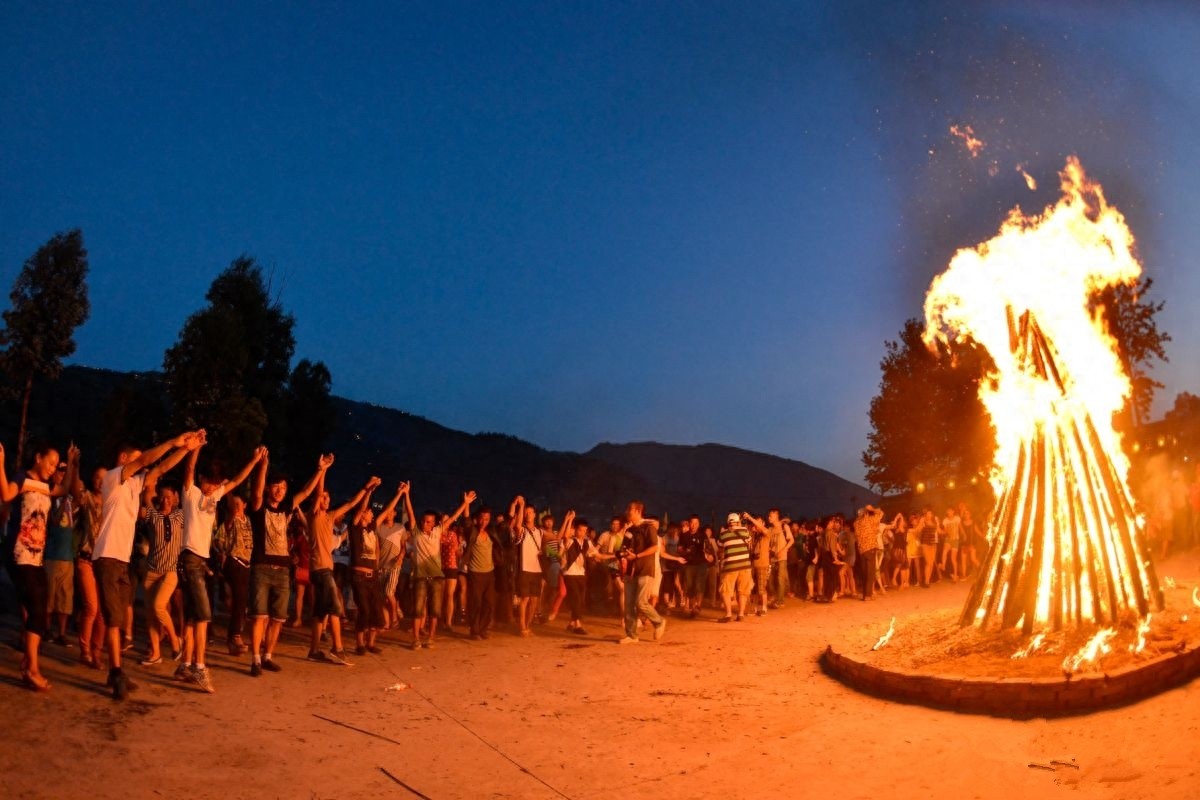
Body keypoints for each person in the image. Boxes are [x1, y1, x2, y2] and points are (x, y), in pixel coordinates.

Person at [91, 431, 200, 700]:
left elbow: (160, 467)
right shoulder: (113, 477)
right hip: (106, 557)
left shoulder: (134, 485)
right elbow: (149, 461)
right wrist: (172, 441)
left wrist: (186, 449)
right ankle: (116, 673)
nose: (142, 465)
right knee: (114, 618)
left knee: (118, 615)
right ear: (124, 458)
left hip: (122, 559)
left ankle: (116, 671)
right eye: (137, 460)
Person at [176, 437, 264, 693]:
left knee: (194, 617)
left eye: (215, 483)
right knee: (204, 615)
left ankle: (185, 664)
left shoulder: (214, 498)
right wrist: (197, 448)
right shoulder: (190, 494)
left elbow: (236, 481)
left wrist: (255, 461)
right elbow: (189, 471)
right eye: (209, 482)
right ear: (202, 480)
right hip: (190, 559)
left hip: (201, 561)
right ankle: (200, 667)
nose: (211, 487)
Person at [1, 441, 79, 691]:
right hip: (18, 553)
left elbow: (64, 489)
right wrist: (0, 464)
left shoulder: (45, 487)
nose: (54, 467)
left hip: (36, 557)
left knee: (39, 611)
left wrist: (71, 462)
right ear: (38, 458)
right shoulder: (23, 477)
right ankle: (31, 668)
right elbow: (6, 495)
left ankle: (28, 663)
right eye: (52, 462)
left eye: (57, 464)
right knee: (36, 611)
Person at [246, 451, 329, 677]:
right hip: (261, 568)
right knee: (259, 616)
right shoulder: (258, 507)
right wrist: (263, 465)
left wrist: (321, 470)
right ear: (268, 488)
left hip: (282, 570)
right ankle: (254, 659)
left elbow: (305, 492)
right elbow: (255, 491)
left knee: (278, 618)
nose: (279, 489)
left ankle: (268, 656)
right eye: (275, 486)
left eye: (282, 486)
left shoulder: (286, 508)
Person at [305, 461, 377, 666]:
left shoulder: (330, 517)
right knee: (336, 607)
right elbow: (318, 494)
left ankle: (314, 650)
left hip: (325, 568)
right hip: (320, 569)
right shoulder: (315, 516)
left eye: (329, 497)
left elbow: (352, 504)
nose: (326, 500)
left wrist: (366, 488)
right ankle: (338, 648)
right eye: (323, 497)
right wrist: (323, 470)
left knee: (320, 613)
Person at [402, 486, 475, 648]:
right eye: (423, 521)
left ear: (434, 523)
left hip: (437, 577)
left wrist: (465, 504)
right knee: (418, 610)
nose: (424, 524)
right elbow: (411, 512)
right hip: (421, 577)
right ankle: (415, 639)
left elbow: (454, 517)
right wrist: (407, 495)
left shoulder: (437, 532)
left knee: (434, 610)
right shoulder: (416, 533)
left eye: (428, 522)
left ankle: (431, 638)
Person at [138, 468, 187, 668]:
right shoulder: (152, 515)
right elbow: (146, 497)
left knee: (159, 606)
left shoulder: (181, 516)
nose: (165, 500)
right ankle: (156, 653)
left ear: (175, 498)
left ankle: (175, 641)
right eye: (163, 496)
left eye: (169, 497)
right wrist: (150, 481)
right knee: (151, 614)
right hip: (151, 571)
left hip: (170, 570)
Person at [348, 481, 403, 655]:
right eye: (369, 511)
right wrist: (368, 491)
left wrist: (399, 494)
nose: (372, 513)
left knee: (376, 611)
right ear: (363, 514)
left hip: (373, 576)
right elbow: (360, 509)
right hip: (359, 576)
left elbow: (387, 511)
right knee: (363, 609)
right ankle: (360, 644)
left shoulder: (372, 528)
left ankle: (370, 643)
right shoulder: (355, 529)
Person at [617, 501, 666, 644]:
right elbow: (622, 549)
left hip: (645, 569)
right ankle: (631, 635)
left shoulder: (648, 528)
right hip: (631, 571)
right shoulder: (629, 531)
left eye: (630, 510)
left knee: (641, 602)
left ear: (638, 511)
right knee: (628, 605)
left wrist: (637, 555)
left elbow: (654, 548)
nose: (627, 512)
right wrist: (622, 554)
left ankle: (659, 622)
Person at [73, 465, 107, 668]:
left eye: (104, 478)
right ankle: (84, 650)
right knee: (91, 607)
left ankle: (97, 652)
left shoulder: (112, 502)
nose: (100, 482)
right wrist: (75, 466)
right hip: (86, 558)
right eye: (97, 477)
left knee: (102, 612)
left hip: (103, 561)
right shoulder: (86, 498)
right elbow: (76, 491)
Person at [43, 461, 77, 647]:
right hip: (52, 555)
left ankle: (62, 633)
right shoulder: (50, 495)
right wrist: (64, 498)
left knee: (65, 598)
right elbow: (54, 521)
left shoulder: (71, 498)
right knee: (50, 596)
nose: (63, 473)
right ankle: (47, 629)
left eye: (65, 470)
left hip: (67, 556)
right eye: (61, 470)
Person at [215, 493, 254, 655]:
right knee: (239, 599)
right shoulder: (230, 520)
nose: (237, 507)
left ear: (245, 505)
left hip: (246, 564)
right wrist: (229, 491)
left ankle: (232, 639)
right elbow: (219, 540)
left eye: (240, 503)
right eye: (234, 504)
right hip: (234, 561)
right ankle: (235, 636)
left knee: (241, 602)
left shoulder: (248, 521)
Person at [560, 511, 601, 635]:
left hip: (581, 574)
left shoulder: (587, 543)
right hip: (569, 574)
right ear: (575, 530)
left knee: (579, 600)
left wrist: (615, 555)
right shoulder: (570, 541)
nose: (582, 533)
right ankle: (578, 625)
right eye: (580, 530)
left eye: (584, 531)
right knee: (576, 598)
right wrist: (569, 520)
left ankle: (571, 623)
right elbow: (565, 536)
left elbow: (598, 555)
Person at [509, 496, 542, 636]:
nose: (528, 515)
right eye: (526, 512)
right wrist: (520, 506)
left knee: (534, 600)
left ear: (535, 514)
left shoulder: (539, 531)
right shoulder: (521, 530)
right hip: (524, 569)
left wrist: (555, 557)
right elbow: (516, 526)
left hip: (537, 569)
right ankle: (522, 627)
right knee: (525, 599)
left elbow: (548, 546)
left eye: (530, 512)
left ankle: (528, 626)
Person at [463, 505, 497, 639]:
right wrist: (466, 504)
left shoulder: (491, 533)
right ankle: (474, 630)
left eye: (487, 519)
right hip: (475, 573)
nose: (484, 521)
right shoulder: (472, 532)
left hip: (490, 573)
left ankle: (483, 629)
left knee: (489, 603)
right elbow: (466, 521)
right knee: (475, 602)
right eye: (482, 518)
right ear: (477, 519)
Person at [716, 513, 753, 622]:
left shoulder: (723, 534)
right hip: (745, 565)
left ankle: (728, 614)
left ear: (728, 522)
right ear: (738, 521)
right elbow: (750, 543)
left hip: (730, 566)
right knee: (743, 590)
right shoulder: (745, 531)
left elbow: (720, 548)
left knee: (726, 591)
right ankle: (740, 614)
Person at [678, 515, 713, 618]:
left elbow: (708, 548)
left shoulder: (702, 535)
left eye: (696, 523)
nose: (693, 525)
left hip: (701, 564)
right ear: (689, 524)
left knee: (699, 585)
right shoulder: (684, 535)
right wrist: (685, 551)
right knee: (689, 586)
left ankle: (698, 606)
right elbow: (679, 549)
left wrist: (710, 556)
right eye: (692, 523)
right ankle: (693, 606)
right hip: (689, 564)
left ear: (699, 524)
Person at [853, 504, 884, 601]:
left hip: (861, 550)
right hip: (870, 548)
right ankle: (868, 595)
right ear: (866, 514)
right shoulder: (870, 520)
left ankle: (865, 594)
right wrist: (872, 509)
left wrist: (867, 510)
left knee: (864, 572)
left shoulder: (856, 523)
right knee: (870, 572)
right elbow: (881, 513)